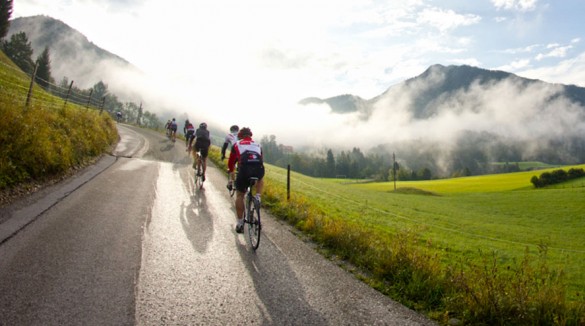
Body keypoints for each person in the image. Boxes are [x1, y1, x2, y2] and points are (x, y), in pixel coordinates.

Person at [227, 127, 264, 233]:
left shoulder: (237, 144)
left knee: (240, 195)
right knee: (260, 178)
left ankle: (239, 223)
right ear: (250, 135)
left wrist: (231, 170)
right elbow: (261, 160)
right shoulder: (258, 145)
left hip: (244, 171)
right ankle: (258, 196)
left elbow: (231, 162)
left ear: (240, 136)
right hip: (258, 170)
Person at [221, 125, 239, 190]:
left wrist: (223, 155)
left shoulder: (229, 135)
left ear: (231, 130)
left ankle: (232, 182)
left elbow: (224, 147)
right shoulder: (241, 134)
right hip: (244, 151)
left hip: (235, 150)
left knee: (231, 166)